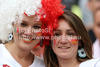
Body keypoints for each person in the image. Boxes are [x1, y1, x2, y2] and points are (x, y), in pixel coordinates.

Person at [0, 0, 64, 67]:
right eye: (23, 24)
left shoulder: (43, 65)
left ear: (44, 31)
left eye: (36, 27)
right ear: (12, 24)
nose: (29, 32)